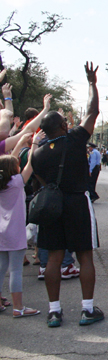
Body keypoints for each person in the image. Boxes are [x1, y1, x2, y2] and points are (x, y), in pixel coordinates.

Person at [32, 62, 104, 327]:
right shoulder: (74, 139)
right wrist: (92, 83)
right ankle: (87, 310)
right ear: (62, 126)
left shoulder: (38, 154)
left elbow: (40, 182)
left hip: (53, 206)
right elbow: (92, 111)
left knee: (53, 256)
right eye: (65, 121)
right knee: (85, 255)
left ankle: (54, 311)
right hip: (77, 201)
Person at [0, 136, 40, 318]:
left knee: (1, 269)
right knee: (16, 270)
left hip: (0, 234)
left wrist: (19, 143)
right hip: (15, 234)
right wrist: (34, 143)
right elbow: (30, 164)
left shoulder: (3, 183)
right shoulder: (17, 183)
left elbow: (7, 163)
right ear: (14, 169)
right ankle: (18, 307)